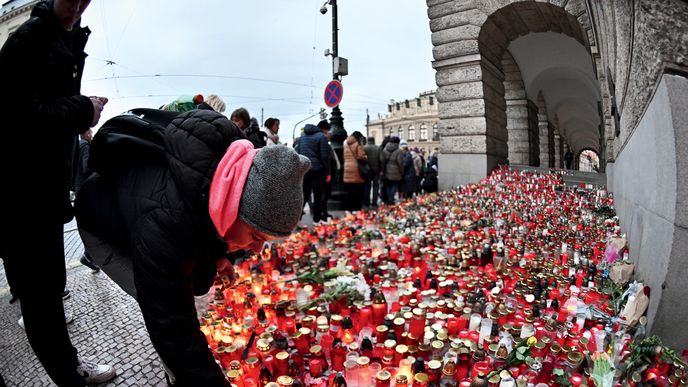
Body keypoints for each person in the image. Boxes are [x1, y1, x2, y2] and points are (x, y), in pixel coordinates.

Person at [75, 108, 310, 386]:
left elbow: (205, 220)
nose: (256, 251)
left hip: (155, 216)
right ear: (236, 209)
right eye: (256, 237)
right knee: (157, 299)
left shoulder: (226, 173)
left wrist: (219, 255)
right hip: (103, 225)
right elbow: (174, 328)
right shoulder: (167, 222)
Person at [0, 0, 116, 385]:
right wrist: (84, 108)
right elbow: (19, 114)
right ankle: (71, 376)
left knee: (45, 291)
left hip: (38, 189)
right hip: (22, 192)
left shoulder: (62, 37)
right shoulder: (30, 39)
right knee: (42, 293)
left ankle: (70, 371)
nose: (76, 7)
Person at [72, 128, 100, 273]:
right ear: (87, 133)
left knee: (92, 226)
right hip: (87, 192)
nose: (92, 135)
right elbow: (87, 167)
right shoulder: (84, 146)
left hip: (80, 191)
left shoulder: (76, 146)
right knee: (96, 226)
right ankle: (89, 255)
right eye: (91, 133)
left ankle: (90, 256)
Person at [296, 123, 331, 223]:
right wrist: (328, 172)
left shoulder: (302, 136)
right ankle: (317, 220)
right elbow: (324, 156)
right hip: (317, 170)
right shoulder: (321, 136)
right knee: (318, 195)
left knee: (305, 195)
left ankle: (296, 219)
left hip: (305, 168)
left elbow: (298, 152)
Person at [343, 131, 368, 211]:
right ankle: (356, 208)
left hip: (347, 169)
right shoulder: (358, 144)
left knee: (349, 191)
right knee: (358, 191)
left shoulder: (346, 144)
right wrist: (365, 157)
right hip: (356, 170)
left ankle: (348, 209)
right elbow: (361, 156)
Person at [380, 136, 404, 205]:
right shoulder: (398, 151)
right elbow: (400, 163)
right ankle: (391, 200)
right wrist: (402, 172)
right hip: (395, 172)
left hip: (386, 172)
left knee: (388, 186)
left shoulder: (385, 149)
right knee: (393, 187)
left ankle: (387, 200)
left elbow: (382, 161)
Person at [363, 137, 381, 207]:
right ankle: (374, 202)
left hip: (367, 170)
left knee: (367, 186)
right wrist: (381, 169)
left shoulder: (365, 148)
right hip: (376, 170)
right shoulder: (378, 148)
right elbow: (381, 159)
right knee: (376, 186)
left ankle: (367, 202)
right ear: (374, 141)